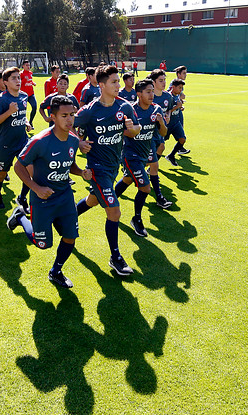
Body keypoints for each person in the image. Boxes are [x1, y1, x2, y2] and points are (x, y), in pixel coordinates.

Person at [7, 96, 92, 288]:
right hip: (42, 200)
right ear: (52, 117)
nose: (69, 119)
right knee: (42, 244)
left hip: (65, 197)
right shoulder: (39, 141)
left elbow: (70, 165)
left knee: (71, 236)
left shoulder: (73, 140)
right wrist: (36, 188)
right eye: (64, 115)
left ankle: (56, 271)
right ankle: (20, 216)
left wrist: (81, 173)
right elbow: (19, 167)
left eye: (72, 115)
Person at [74, 65, 141, 276]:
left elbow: (136, 129)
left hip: (114, 167)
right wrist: (78, 142)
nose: (118, 85)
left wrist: (132, 128)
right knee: (114, 211)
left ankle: (66, 217)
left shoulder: (125, 107)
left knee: (93, 201)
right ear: (101, 85)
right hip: (97, 168)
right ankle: (116, 257)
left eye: (118, 81)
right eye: (114, 82)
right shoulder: (90, 111)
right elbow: (64, 125)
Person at [114, 79, 166, 237]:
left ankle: (109, 199)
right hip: (131, 155)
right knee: (145, 188)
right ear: (139, 94)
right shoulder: (130, 111)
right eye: (148, 92)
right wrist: (132, 129)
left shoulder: (156, 109)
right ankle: (136, 219)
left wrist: (161, 122)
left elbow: (163, 133)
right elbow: (121, 131)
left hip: (145, 154)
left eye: (152, 91)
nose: (152, 95)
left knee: (128, 180)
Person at [0, 67, 33, 211]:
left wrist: (26, 122)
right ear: (5, 82)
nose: (18, 81)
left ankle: (22, 197)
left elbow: (22, 114)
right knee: (2, 173)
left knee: (30, 172)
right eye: (14, 78)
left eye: (18, 77)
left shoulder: (24, 96)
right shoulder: (1, 99)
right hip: (6, 144)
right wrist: (9, 111)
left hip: (23, 142)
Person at [147, 68, 176, 208]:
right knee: (155, 165)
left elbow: (169, 109)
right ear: (153, 82)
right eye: (160, 80)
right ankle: (159, 197)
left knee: (162, 147)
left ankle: (140, 167)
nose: (164, 83)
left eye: (165, 80)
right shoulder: (148, 96)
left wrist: (168, 115)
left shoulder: (167, 96)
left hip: (160, 132)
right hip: (148, 134)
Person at [164, 78, 187, 167]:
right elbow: (166, 111)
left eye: (182, 88)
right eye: (179, 88)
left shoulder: (177, 95)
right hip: (168, 124)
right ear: (173, 87)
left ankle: (171, 155)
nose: (181, 90)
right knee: (160, 145)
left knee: (182, 139)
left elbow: (177, 106)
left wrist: (180, 108)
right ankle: (151, 165)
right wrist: (177, 106)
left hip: (176, 123)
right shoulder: (168, 97)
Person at [170, 65, 190, 155]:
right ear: (178, 74)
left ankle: (180, 148)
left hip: (177, 109)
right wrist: (177, 103)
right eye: (184, 73)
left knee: (180, 129)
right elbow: (169, 95)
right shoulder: (174, 84)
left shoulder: (180, 84)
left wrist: (180, 102)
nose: (185, 75)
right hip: (172, 112)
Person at [20, 60, 38, 127]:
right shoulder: (21, 74)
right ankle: (23, 123)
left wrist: (33, 83)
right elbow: (19, 82)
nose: (28, 66)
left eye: (29, 65)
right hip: (23, 95)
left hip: (31, 94)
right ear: (23, 66)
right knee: (22, 110)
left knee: (34, 107)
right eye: (27, 65)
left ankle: (30, 122)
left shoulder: (30, 73)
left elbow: (30, 80)